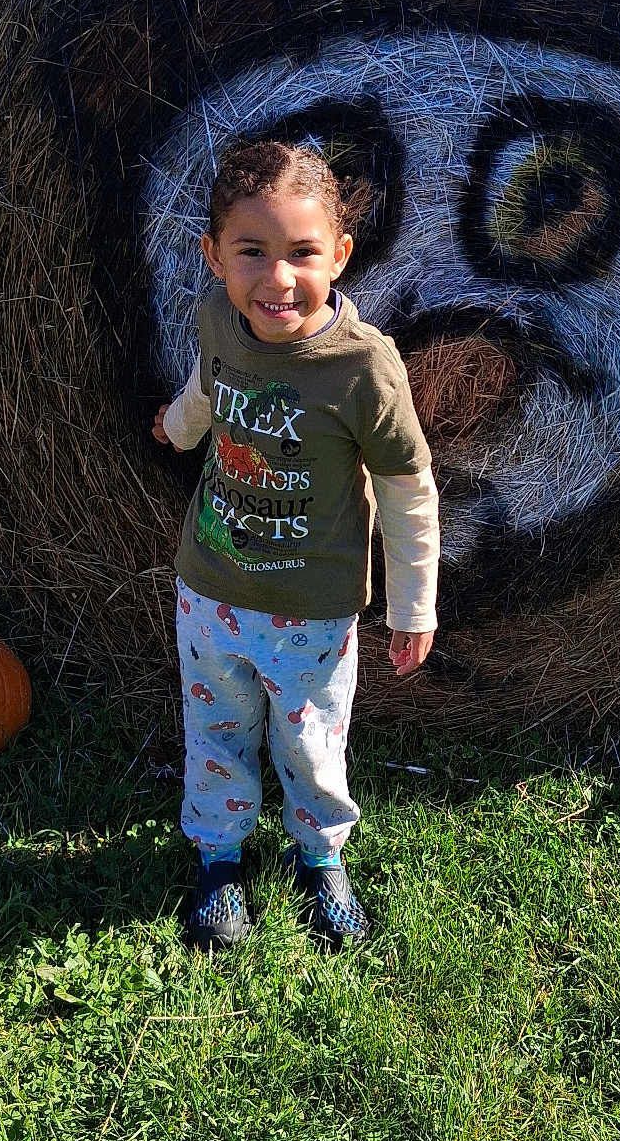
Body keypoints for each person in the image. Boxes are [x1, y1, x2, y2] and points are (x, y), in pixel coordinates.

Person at [152, 139, 439, 951]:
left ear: (340, 255)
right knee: (216, 732)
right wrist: (178, 431)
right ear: (214, 257)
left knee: (311, 739)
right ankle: (217, 859)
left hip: (312, 610)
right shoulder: (220, 318)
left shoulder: (363, 368)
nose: (278, 279)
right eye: (252, 252)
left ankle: (318, 857)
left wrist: (414, 605)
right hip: (209, 586)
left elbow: (407, 486)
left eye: (302, 253)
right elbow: (207, 387)